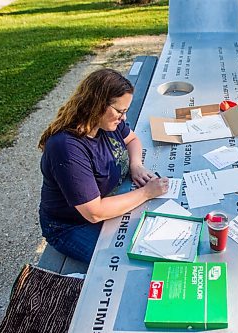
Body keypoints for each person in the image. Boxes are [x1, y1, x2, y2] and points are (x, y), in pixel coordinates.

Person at [38, 68, 169, 263]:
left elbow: (132, 140)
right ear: (97, 105)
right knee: (125, 260)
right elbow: (94, 212)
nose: (124, 118)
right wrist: (146, 193)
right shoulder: (67, 148)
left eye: (125, 111)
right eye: (120, 111)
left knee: (157, 243)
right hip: (71, 226)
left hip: (107, 203)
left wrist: (136, 165)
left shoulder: (106, 124)